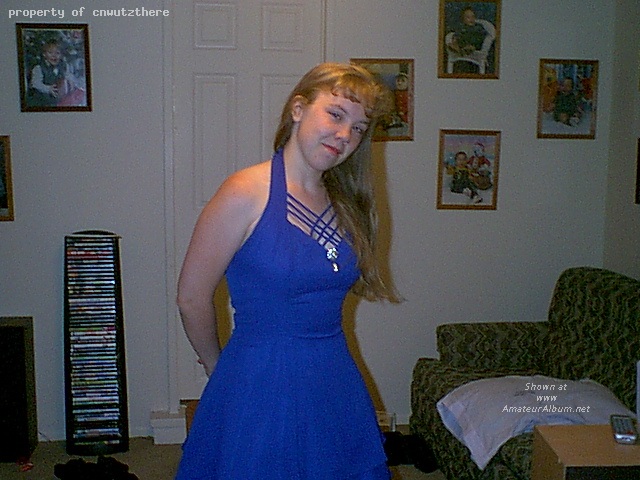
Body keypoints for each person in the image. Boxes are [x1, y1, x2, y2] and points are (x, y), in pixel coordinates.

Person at [175, 62, 401, 479]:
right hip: (260, 377)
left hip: (334, 375)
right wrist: (217, 368)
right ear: (298, 109)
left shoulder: (347, 202)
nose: (345, 135)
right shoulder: (244, 191)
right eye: (335, 114)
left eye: (358, 128)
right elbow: (191, 298)